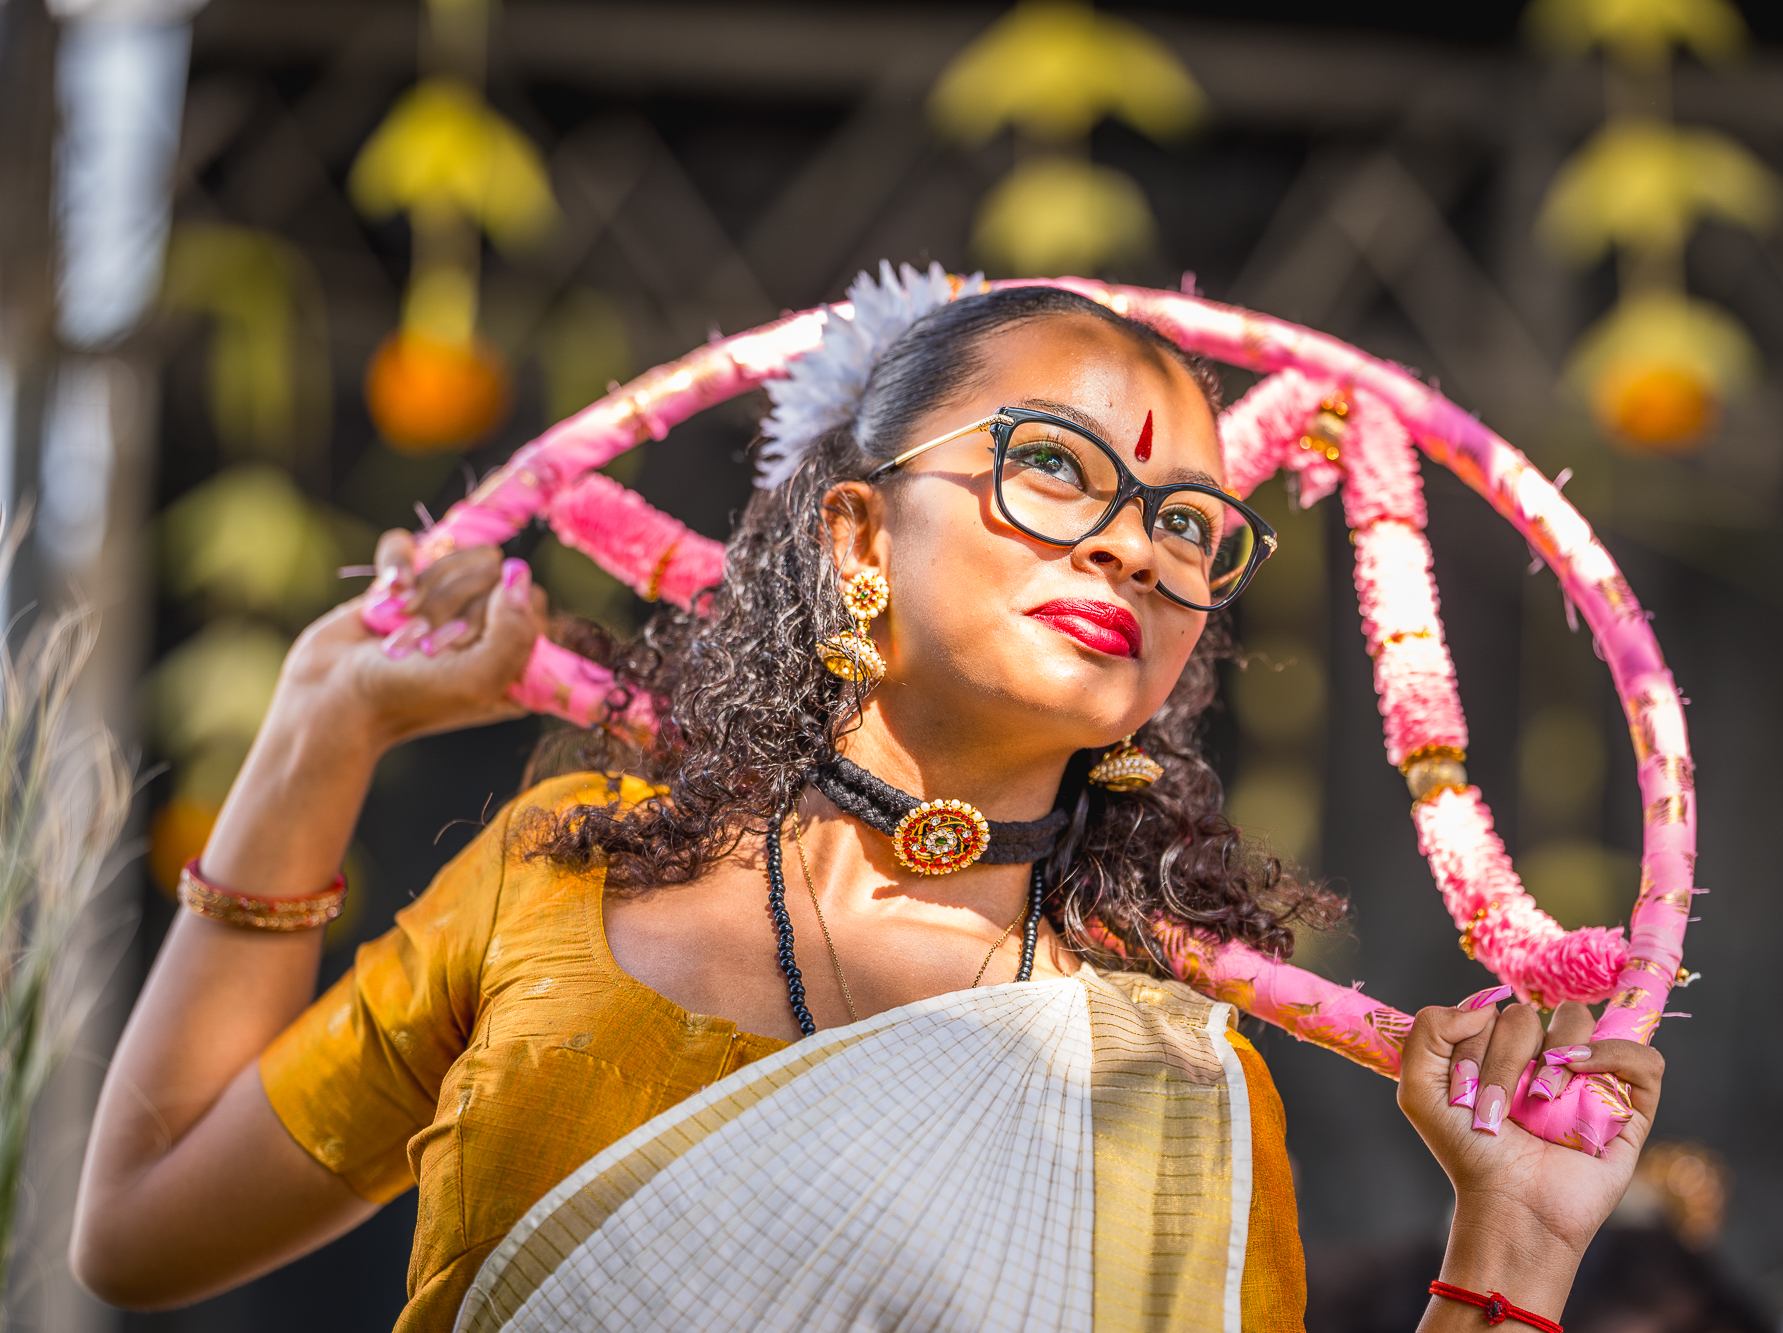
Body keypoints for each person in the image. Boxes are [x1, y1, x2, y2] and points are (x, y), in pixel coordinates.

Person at [71, 283, 1666, 1331]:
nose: (1135, 545)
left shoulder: (1179, 1094)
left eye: (1189, 524)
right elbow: (140, 1229)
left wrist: (1516, 1248)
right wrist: (323, 722)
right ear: (856, 538)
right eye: (1056, 467)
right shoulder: (557, 881)